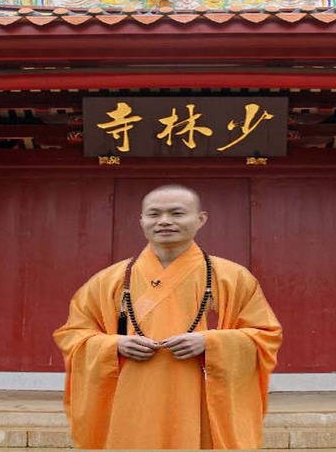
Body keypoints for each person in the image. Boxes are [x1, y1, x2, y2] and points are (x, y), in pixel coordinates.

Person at [53, 184, 283, 449]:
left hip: (201, 399)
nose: (164, 221)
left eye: (177, 213)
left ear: (201, 219)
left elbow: (266, 335)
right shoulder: (109, 281)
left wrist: (211, 343)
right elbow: (72, 335)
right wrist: (113, 345)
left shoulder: (232, 278)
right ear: (141, 220)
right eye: (154, 214)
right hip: (133, 400)